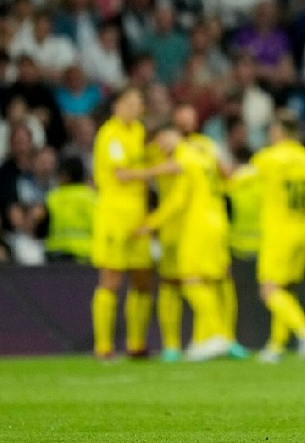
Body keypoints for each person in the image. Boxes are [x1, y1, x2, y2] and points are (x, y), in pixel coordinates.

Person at [230, 110, 305, 363]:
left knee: (269, 290)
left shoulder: (269, 157)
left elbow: (238, 180)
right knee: (285, 289)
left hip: (280, 232)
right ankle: (276, 346)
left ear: (277, 131)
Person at [138, 123, 233, 361]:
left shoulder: (186, 158)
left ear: (177, 136)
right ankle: (205, 340)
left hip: (198, 225)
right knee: (207, 282)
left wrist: (150, 223)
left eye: (166, 138)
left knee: (191, 280)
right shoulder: (202, 156)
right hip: (217, 221)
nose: (162, 144)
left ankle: (217, 335)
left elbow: (178, 200)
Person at [91, 87, 156, 359]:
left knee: (142, 278)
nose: (134, 108)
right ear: (116, 106)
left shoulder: (139, 132)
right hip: (114, 214)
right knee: (111, 278)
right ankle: (103, 347)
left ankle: (136, 344)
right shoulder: (110, 134)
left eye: (138, 103)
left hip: (138, 215)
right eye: (129, 103)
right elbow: (122, 174)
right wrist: (159, 171)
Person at [44, 155, 95, 263]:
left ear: (66, 175)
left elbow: (42, 227)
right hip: (86, 255)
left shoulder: (53, 197)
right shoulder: (91, 198)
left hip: (56, 255)